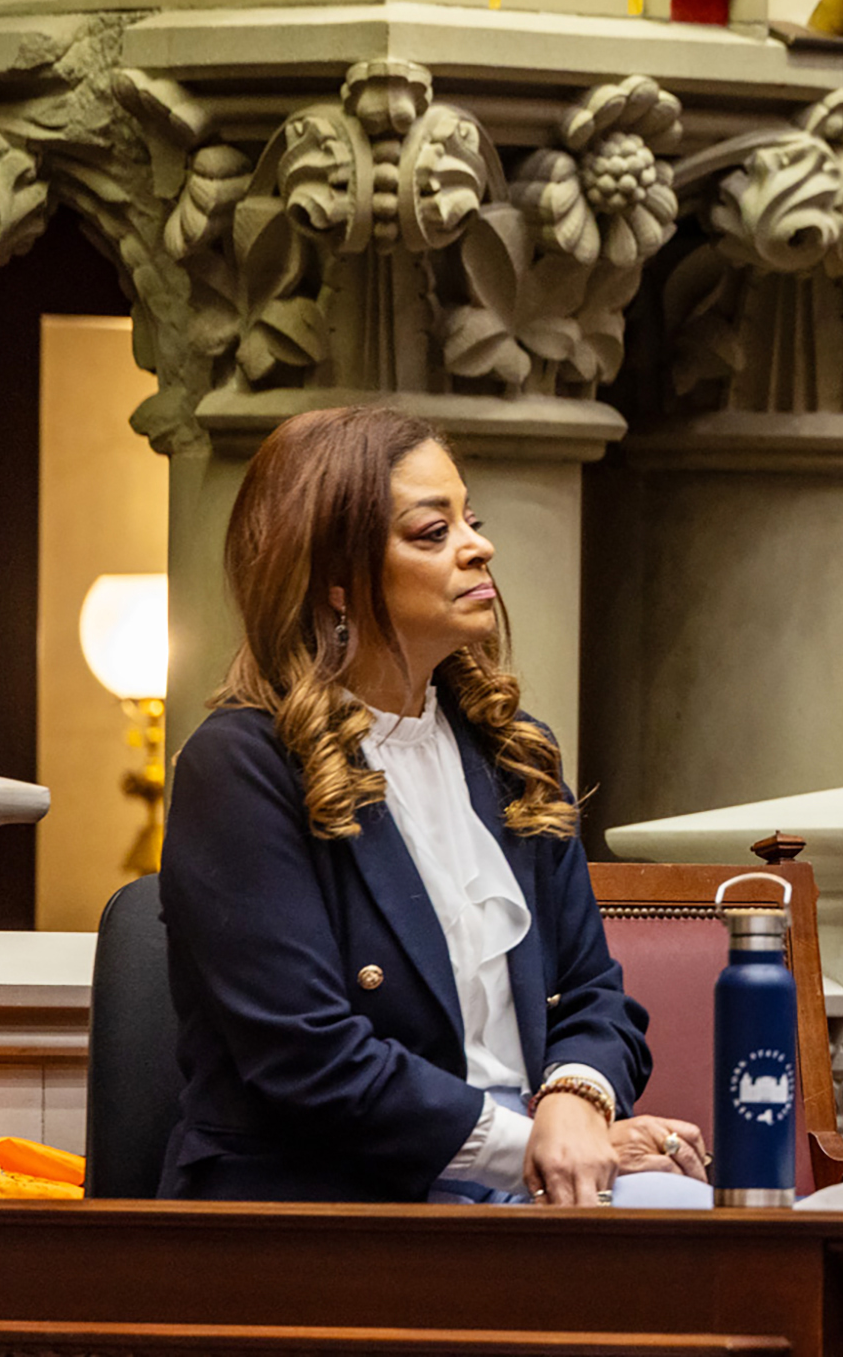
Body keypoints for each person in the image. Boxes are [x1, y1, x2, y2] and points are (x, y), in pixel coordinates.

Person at [157, 405, 706, 1202]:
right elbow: (308, 1058)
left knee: (719, 1230)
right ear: (334, 580)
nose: (478, 545)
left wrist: (574, 1102)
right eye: (431, 531)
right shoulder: (241, 766)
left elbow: (595, 994)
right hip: (327, 1204)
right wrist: (536, 1145)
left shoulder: (513, 753)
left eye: (471, 520)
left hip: (528, 1173)